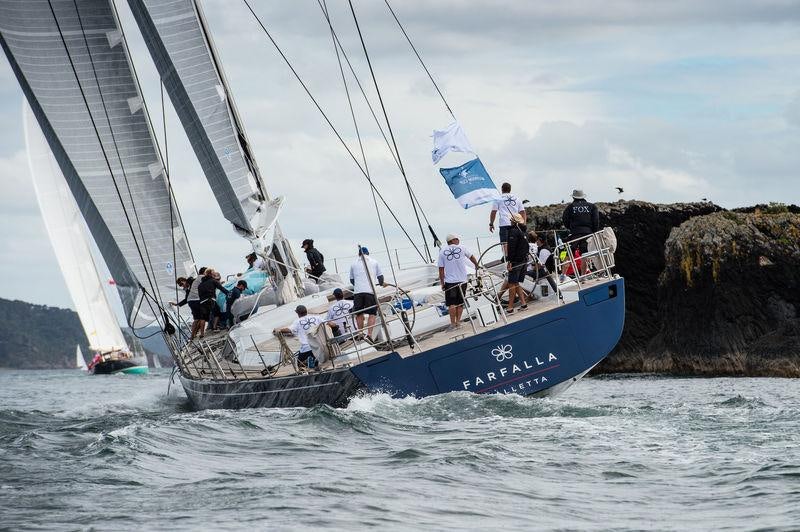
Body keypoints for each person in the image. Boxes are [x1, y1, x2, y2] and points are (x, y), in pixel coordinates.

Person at [437, 233, 480, 330]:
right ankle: (458, 322)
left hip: (450, 282)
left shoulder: (442, 251)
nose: (458, 240)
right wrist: (476, 265)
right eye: (456, 239)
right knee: (460, 302)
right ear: (451, 241)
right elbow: (472, 257)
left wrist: (442, 283)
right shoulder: (462, 247)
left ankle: (453, 324)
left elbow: (441, 269)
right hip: (462, 280)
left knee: (451, 304)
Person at [349, 247, 384, 341]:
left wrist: (359, 286)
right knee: (372, 313)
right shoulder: (374, 262)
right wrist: (381, 284)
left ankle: (360, 333)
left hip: (358, 293)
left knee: (359, 314)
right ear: (368, 253)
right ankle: (369, 334)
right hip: (370, 291)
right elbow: (380, 278)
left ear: (359, 254)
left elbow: (352, 280)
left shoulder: (353, 264)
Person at [562, 189, 599, 275]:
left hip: (574, 233)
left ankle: (562, 276)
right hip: (587, 234)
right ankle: (583, 276)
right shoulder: (592, 206)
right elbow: (596, 221)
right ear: (583, 197)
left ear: (574, 197)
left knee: (568, 253)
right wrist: (593, 232)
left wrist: (571, 228)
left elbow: (565, 220)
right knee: (585, 255)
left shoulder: (570, 207)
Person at [274, 305, 322, 370]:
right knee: (314, 361)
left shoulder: (297, 322)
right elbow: (329, 323)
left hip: (306, 348)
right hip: (318, 345)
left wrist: (279, 330)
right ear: (306, 311)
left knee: (300, 365)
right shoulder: (316, 318)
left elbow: (289, 330)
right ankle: (315, 367)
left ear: (297, 313)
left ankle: (310, 370)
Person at [489, 182, 526, 257]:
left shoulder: (498, 198)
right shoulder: (517, 198)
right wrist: (524, 223)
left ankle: (507, 258)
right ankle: (516, 257)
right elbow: (523, 212)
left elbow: (494, 212)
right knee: (516, 241)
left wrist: (491, 223)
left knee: (505, 242)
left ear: (502, 189)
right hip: (516, 223)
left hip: (504, 224)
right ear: (510, 189)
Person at [504, 213, 529, 314]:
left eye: (511, 220)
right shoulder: (524, 232)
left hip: (516, 262)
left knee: (511, 284)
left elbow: (512, 248)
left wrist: (509, 261)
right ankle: (523, 304)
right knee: (516, 283)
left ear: (514, 222)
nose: (510, 222)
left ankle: (510, 307)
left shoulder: (513, 232)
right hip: (524, 261)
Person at [196, 268, 229, 338]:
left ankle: (202, 333)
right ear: (210, 274)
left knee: (203, 318)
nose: (214, 273)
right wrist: (229, 293)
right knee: (217, 312)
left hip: (202, 302)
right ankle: (214, 328)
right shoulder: (213, 281)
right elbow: (221, 288)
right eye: (213, 272)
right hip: (210, 300)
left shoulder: (200, 285)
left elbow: (199, 294)